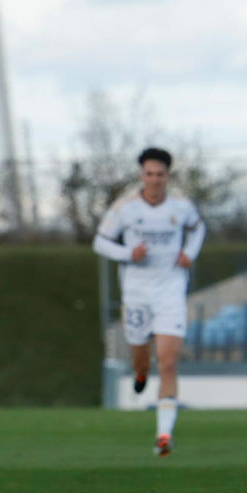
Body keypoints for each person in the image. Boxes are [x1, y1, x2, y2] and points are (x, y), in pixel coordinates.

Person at [93, 147, 205, 458]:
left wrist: (189, 254)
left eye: (160, 174)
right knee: (140, 357)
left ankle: (163, 434)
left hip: (170, 290)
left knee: (168, 362)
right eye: (149, 174)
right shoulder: (125, 208)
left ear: (168, 176)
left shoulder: (181, 206)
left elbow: (198, 229)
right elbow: (100, 242)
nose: (155, 180)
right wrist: (128, 254)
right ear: (141, 175)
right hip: (137, 294)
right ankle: (140, 372)